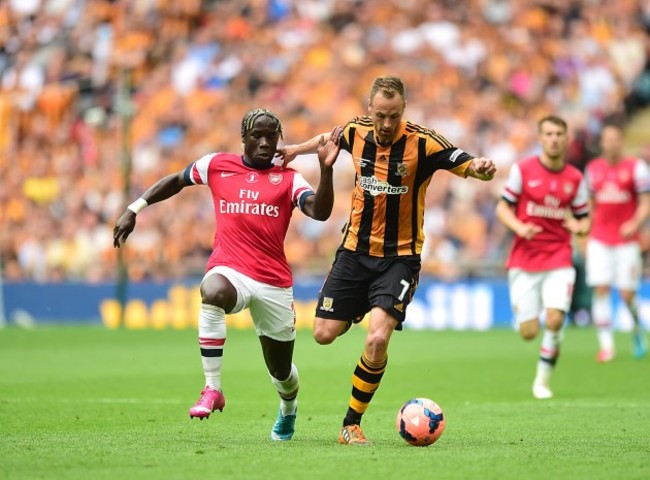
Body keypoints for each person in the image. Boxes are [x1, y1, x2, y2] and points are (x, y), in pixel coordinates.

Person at [279, 75, 497, 445]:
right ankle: (364, 305)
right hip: (354, 253)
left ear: (403, 111)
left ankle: (351, 423)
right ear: (370, 110)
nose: (385, 124)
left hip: (400, 258)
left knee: (377, 339)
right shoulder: (355, 131)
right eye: (380, 115)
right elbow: (326, 139)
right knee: (322, 334)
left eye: (393, 116)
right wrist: (295, 150)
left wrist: (478, 166)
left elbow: (460, 158)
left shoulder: (423, 142)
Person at [113, 109, 342, 441]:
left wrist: (326, 168)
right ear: (244, 139)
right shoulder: (217, 165)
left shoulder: (289, 178)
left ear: (279, 139)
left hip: (273, 281)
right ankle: (212, 388)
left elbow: (319, 213)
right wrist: (134, 209)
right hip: (230, 269)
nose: (265, 143)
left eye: (271, 137)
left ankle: (288, 408)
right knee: (212, 291)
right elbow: (177, 180)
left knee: (280, 372)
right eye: (257, 136)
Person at [495, 115, 591, 400]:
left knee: (554, 319)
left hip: (559, 256)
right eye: (548, 134)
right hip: (525, 259)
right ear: (540, 138)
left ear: (565, 138)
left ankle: (542, 381)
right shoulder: (523, 170)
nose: (554, 139)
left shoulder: (575, 178)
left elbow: (585, 220)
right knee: (528, 331)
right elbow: (503, 208)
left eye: (559, 134)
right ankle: (534, 323)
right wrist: (520, 227)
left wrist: (579, 227)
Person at [584, 122, 650, 362]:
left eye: (615, 139)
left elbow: (645, 202)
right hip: (600, 238)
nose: (611, 143)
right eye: (607, 139)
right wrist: (585, 230)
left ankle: (636, 331)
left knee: (627, 294)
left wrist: (635, 223)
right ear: (601, 143)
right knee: (600, 288)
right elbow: (589, 204)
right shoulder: (593, 169)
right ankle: (607, 346)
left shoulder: (637, 168)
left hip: (626, 240)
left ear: (621, 141)